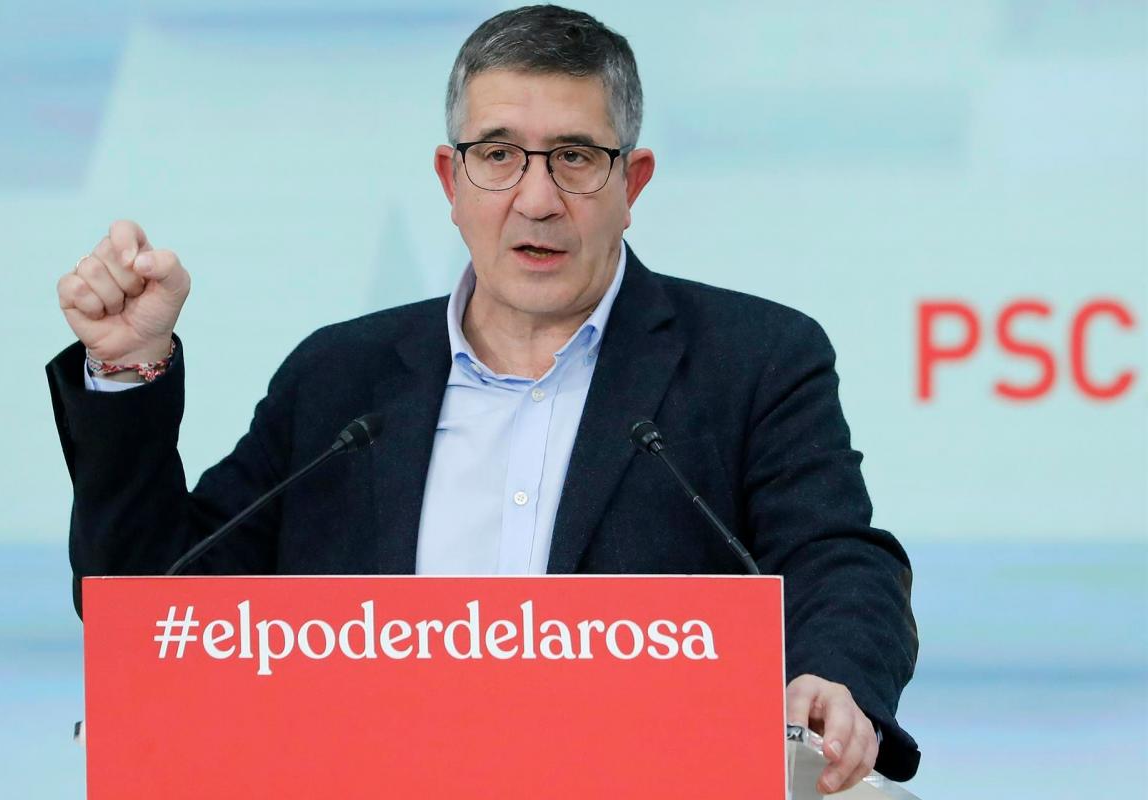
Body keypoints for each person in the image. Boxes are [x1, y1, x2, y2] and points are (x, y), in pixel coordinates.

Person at [47, 5, 919, 791]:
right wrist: (125, 368)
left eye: (575, 158)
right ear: (450, 180)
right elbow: (157, 607)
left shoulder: (753, 359)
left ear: (633, 183)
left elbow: (838, 557)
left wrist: (834, 677)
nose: (536, 200)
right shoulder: (339, 377)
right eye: (498, 155)